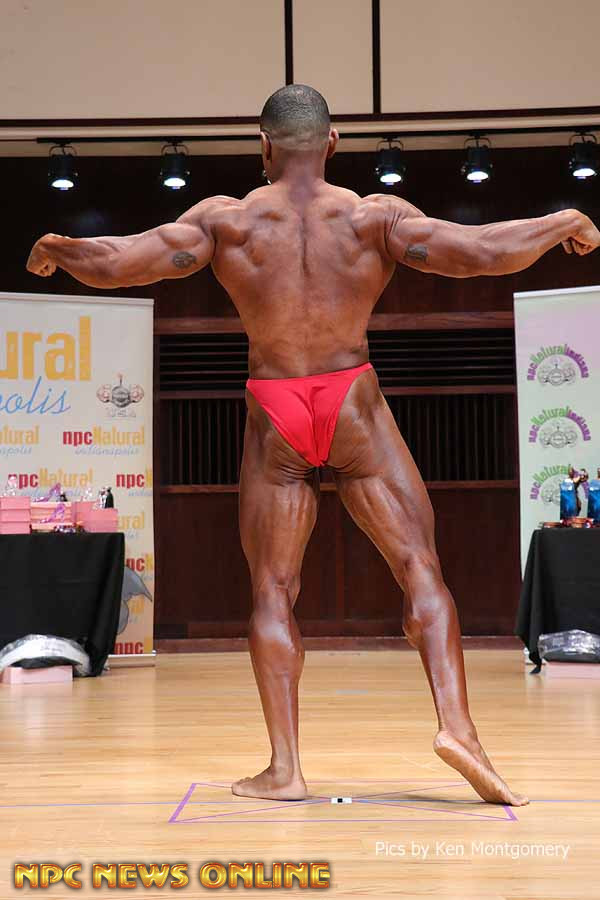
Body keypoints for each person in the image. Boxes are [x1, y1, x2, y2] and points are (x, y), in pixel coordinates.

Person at [27, 84, 600, 807]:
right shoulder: (372, 219)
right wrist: (562, 221)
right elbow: (480, 252)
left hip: (275, 410)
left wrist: (57, 248)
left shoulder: (226, 222)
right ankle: (459, 730)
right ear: (333, 142)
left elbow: (121, 262)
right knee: (420, 567)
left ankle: (286, 769)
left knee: (272, 589)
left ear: (263, 145)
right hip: (351, 400)